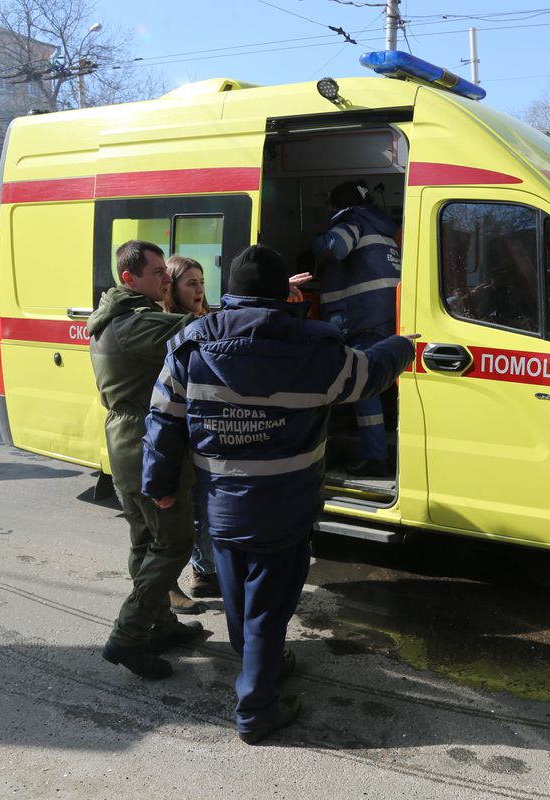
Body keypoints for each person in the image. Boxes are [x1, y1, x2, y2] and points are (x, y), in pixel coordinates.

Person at [142, 244, 416, 744]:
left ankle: (261, 670)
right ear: (282, 292)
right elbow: (369, 374)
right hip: (286, 508)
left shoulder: (190, 344)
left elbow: (163, 419)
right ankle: (256, 711)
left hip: (222, 508)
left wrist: (158, 484)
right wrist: (402, 345)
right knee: (267, 610)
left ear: (231, 291)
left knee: (241, 603)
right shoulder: (317, 348)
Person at [88, 240, 205, 681]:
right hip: (147, 444)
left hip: (129, 443)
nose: (165, 278)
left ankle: (160, 625)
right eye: (158, 272)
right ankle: (128, 636)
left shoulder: (117, 318)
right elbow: (203, 331)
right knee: (172, 544)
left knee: (145, 542)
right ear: (129, 278)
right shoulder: (136, 324)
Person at [311, 180, 401, 477]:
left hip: (359, 317)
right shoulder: (385, 231)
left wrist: (316, 241)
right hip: (386, 315)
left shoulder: (352, 221)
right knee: (380, 379)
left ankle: (374, 457)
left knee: (363, 386)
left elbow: (336, 248)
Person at [161, 255, 213, 614]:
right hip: (179, 429)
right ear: (174, 288)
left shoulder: (208, 320)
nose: (199, 290)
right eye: (190, 283)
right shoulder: (166, 326)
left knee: (204, 506)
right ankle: (168, 586)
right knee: (179, 515)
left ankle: (204, 571)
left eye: (201, 282)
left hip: (204, 428)